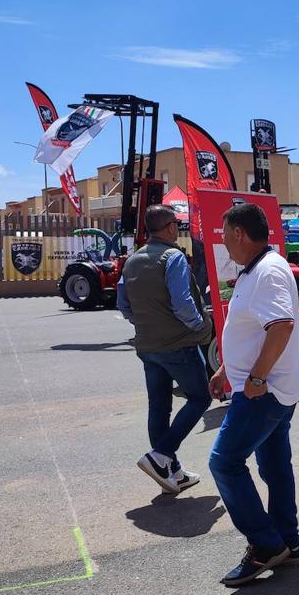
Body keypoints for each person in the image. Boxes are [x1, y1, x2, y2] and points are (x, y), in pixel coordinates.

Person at [207, 203, 299, 587]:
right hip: (269, 389)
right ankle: (288, 542)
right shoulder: (256, 270)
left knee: (224, 462)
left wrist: (256, 378)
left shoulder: (266, 272)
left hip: (266, 392)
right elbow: (251, 328)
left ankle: (265, 545)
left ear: (238, 234)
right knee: (275, 467)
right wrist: (225, 369)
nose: (224, 243)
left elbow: (281, 325)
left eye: (224, 235)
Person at [118, 205, 212, 495]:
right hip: (178, 343)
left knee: (158, 406)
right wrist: (198, 327)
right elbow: (183, 303)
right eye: (177, 224)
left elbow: (123, 305)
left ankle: (171, 472)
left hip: (147, 345)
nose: (178, 229)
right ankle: (161, 456)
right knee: (200, 397)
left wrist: (147, 322)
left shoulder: (132, 261)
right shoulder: (173, 257)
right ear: (170, 227)